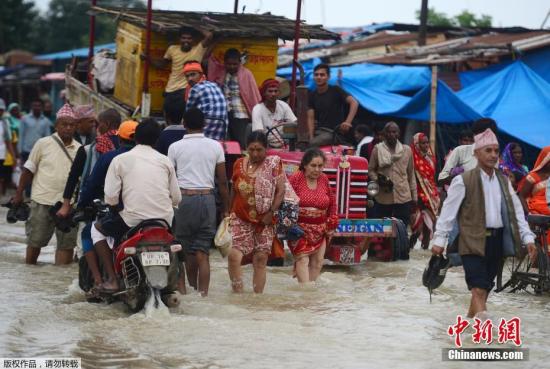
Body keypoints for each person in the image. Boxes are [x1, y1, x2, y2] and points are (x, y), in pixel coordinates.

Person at [432, 128, 536, 319]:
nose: (493, 155)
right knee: (478, 289)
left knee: (483, 291)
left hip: (496, 242)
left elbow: (517, 212)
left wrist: (528, 237)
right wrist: (439, 241)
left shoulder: (503, 181)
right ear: (476, 153)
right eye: (488, 150)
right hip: (471, 241)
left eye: (496, 151)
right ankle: (487, 336)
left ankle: (469, 326)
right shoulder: (462, 181)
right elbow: (448, 212)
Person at [91, 119, 181, 292]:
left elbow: (110, 198)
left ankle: (112, 279)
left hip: (131, 221)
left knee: (96, 230)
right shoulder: (165, 161)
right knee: (176, 243)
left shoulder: (120, 160)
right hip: (164, 221)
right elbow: (176, 198)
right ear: (156, 140)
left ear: (136, 138)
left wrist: (116, 207)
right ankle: (180, 285)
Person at [168, 108, 230, 296]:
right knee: (203, 251)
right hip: (208, 200)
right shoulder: (215, 147)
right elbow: (222, 181)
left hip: (184, 200)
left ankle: (189, 292)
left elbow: (169, 180)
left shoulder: (175, 147)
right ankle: (203, 296)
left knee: (186, 252)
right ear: (204, 125)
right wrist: (226, 209)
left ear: (184, 124)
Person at [12, 104, 81, 265]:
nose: (68, 128)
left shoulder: (80, 149)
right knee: (35, 241)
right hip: (42, 201)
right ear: (56, 126)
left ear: (76, 127)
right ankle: (30, 274)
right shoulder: (42, 143)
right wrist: (19, 194)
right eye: (64, 124)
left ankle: (56, 283)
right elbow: (28, 170)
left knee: (66, 245)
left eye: (71, 125)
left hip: (69, 205)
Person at [75, 120, 138, 290]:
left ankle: (101, 280)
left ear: (119, 139)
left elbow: (92, 185)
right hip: (155, 216)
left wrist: (81, 204)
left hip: (121, 214)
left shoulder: (111, 158)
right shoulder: (155, 158)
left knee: (90, 232)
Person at [228, 131, 285, 293]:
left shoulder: (274, 164)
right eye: (251, 149)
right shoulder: (238, 164)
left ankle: (256, 298)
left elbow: (281, 191)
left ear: (266, 149)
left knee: (260, 259)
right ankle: (238, 295)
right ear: (246, 148)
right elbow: (234, 188)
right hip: (240, 217)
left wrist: (271, 212)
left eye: (259, 149)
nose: (255, 153)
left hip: (265, 220)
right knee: (234, 256)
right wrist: (228, 211)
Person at [288, 148, 338, 283]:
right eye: (313, 166)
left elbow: (332, 203)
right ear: (305, 165)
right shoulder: (296, 179)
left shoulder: (324, 179)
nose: (317, 169)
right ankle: (305, 292)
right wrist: (288, 226)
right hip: (299, 229)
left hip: (320, 229)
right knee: (302, 259)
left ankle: (311, 295)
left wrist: (332, 223)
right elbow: (285, 202)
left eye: (320, 166)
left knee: (318, 261)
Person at [146, 26, 213, 125]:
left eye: (189, 38)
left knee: (183, 121)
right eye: (183, 38)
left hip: (186, 92)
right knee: (169, 120)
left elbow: (209, 35)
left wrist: (194, 25)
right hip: (170, 90)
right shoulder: (172, 49)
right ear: (179, 39)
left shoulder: (198, 49)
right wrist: (148, 58)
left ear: (193, 40)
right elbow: (161, 65)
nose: (186, 40)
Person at [209, 48, 261, 148]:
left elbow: (253, 94)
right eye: (229, 64)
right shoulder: (220, 72)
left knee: (240, 143)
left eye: (235, 64)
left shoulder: (246, 74)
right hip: (223, 113)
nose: (232, 66)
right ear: (224, 63)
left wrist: (256, 114)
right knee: (224, 143)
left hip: (240, 114)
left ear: (239, 63)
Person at [368, 121, 417, 227]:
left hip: (403, 196)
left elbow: (411, 174)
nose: (391, 134)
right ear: (384, 134)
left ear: (398, 134)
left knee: (402, 229)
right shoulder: (377, 149)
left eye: (394, 132)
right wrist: (378, 179)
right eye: (388, 132)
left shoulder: (406, 150)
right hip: (383, 196)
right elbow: (371, 170)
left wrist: (414, 197)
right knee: (383, 229)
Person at [307, 64, 358, 146]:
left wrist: (347, 122)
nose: (319, 77)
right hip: (319, 131)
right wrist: (311, 137)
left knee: (313, 143)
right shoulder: (312, 95)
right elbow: (310, 118)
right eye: (316, 75)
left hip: (334, 133)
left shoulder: (336, 90)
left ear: (328, 77)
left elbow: (354, 103)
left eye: (322, 75)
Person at [438, 119, 497, 185]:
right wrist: (459, 178)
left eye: (490, 136)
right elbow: (442, 178)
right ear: (475, 135)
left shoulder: (494, 156)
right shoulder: (461, 151)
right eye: (483, 135)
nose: (486, 139)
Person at [184, 61, 228, 141]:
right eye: (187, 76)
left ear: (201, 74)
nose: (190, 79)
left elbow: (188, 115)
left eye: (193, 74)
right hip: (222, 132)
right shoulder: (214, 85)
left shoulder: (195, 89)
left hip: (204, 134)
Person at [409, 133, 440, 249]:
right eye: (423, 143)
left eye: (427, 142)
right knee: (417, 226)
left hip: (430, 195)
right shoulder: (411, 157)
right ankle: (409, 248)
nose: (426, 145)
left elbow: (432, 177)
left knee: (429, 224)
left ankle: (425, 249)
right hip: (416, 194)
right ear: (417, 144)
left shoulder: (431, 158)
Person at [518, 147, 550, 251]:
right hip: (536, 210)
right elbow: (521, 196)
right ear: (545, 160)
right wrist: (529, 214)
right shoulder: (532, 177)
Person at [251, 78, 297, 148]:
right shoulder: (257, 109)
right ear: (264, 93)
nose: (273, 94)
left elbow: (294, 123)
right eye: (270, 91)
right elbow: (259, 133)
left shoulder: (283, 105)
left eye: (276, 91)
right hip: (266, 145)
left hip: (285, 144)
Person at [0, 99, 16, 196]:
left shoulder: (5, 122)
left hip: (1, 154)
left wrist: (13, 157)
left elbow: (8, 141)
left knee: (2, 178)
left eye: (1, 110)